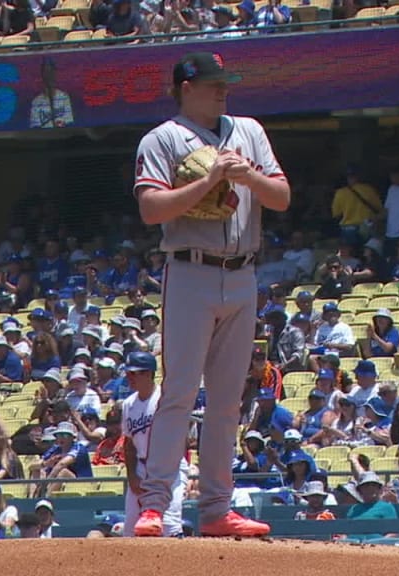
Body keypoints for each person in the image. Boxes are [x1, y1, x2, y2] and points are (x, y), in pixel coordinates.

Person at [131, 52, 289, 538]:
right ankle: (155, 505)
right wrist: (209, 181)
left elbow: (280, 197)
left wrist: (247, 177)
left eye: (225, 82)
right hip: (190, 271)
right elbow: (151, 209)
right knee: (178, 392)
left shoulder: (249, 131)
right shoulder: (163, 138)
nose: (223, 90)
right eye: (212, 83)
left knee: (226, 400)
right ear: (185, 86)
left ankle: (217, 508)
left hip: (243, 274)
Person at [121, 352, 187, 537]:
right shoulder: (128, 405)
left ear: (149, 373)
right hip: (141, 467)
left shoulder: (164, 400)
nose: (129, 378)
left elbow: (181, 438)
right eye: (128, 373)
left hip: (168, 467)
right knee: (131, 529)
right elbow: (129, 444)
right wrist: (132, 476)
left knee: (169, 525)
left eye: (134, 373)